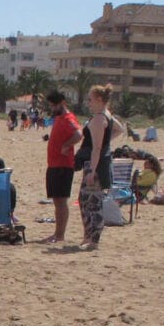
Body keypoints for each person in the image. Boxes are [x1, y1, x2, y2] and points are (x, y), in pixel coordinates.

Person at [77, 84, 119, 250]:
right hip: (100, 162)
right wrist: (107, 144)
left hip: (95, 165)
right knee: (85, 200)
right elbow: (119, 130)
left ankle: (93, 238)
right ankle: (89, 235)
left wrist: (92, 170)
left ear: (100, 100)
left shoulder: (99, 119)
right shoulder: (106, 116)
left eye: (91, 99)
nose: (88, 102)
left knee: (92, 202)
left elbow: (96, 148)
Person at [41, 90, 80, 244]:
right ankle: (57, 234)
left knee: (61, 201)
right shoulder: (59, 118)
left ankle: (59, 235)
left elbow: (78, 134)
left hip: (63, 166)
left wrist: (66, 145)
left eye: (53, 105)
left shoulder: (68, 118)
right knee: (57, 201)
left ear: (62, 103)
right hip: (54, 164)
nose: (52, 108)